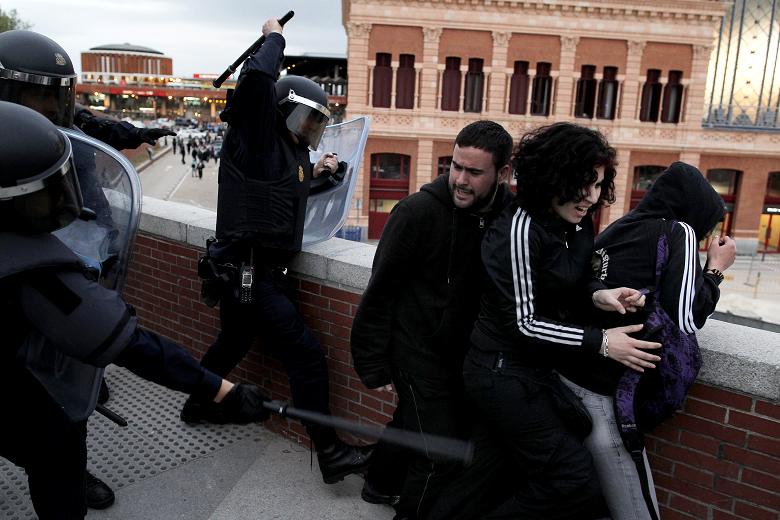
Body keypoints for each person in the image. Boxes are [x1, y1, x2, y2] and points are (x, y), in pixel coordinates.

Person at [0, 101, 271, 520]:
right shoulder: (31, 270)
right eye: (46, 192)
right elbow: (127, 343)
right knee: (56, 441)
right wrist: (222, 391)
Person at [429, 122, 661, 520]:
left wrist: (598, 293)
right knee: (571, 479)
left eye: (598, 184)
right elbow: (525, 322)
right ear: (553, 176)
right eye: (582, 182)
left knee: (486, 475)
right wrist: (604, 342)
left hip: (531, 371)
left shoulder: (577, 218)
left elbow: (569, 277)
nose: (590, 196)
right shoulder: (517, 230)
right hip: (500, 373)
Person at [180, 17, 371, 484]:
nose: (311, 129)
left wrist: (325, 172)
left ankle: (196, 403)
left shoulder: (287, 154)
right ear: (282, 111)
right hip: (249, 272)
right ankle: (329, 453)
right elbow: (258, 80)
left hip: (251, 269)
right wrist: (273, 38)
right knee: (305, 354)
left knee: (235, 341)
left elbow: (287, 197)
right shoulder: (255, 138)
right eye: (306, 118)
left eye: (317, 123)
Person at [0, 28, 175, 510]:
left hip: (64, 277)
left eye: (57, 99)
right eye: (38, 99)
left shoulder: (67, 135)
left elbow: (100, 133)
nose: (52, 114)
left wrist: (144, 134)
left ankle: (64, 470)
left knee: (62, 408)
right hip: (19, 284)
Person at [350, 120, 513, 519]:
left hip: (464, 358)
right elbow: (379, 292)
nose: (459, 179)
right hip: (414, 353)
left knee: (412, 421)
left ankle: (379, 485)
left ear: (503, 174)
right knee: (439, 454)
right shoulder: (416, 212)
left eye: (473, 172)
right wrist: (373, 363)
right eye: (454, 166)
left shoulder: (510, 216)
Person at [556, 161, 736, 520]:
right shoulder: (678, 230)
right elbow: (688, 315)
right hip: (606, 393)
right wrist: (715, 270)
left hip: (567, 378)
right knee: (637, 508)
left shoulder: (620, 227)